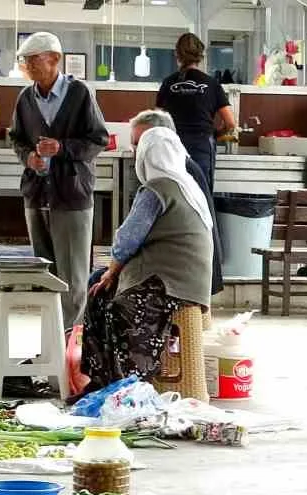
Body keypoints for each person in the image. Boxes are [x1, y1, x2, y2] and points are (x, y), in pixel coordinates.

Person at [82, 128, 213, 391]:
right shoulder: (188, 186)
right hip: (189, 282)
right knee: (98, 284)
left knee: (110, 301)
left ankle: (124, 384)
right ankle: (106, 382)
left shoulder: (156, 188)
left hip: (168, 284)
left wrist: (112, 272)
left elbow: (127, 239)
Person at [8, 32, 109, 329]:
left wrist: (62, 148)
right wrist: (28, 157)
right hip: (37, 195)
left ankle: (70, 345)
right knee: (44, 273)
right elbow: (16, 139)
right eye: (25, 62)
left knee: (73, 276)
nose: (28, 66)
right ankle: (47, 341)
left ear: (54, 59)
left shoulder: (80, 94)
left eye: (32, 60)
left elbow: (98, 139)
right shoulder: (25, 98)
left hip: (71, 195)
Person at [129, 108, 222, 297]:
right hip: (187, 276)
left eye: (142, 143)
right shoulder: (182, 168)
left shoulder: (170, 177)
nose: (136, 151)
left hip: (177, 281)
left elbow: (129, 237)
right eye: (135, 145)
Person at [156, 33, 236, 188]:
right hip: (201, 146)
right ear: (200, 56)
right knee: (201, 196)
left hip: (173, 147)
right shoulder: (211, 84)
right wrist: (216, 133)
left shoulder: (168, 83)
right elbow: (230, 123)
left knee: (174, 194)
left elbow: (157, 121)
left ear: (177, 54)